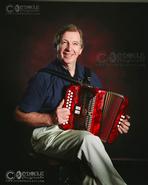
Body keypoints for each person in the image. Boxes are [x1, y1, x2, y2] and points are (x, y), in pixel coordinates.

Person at [15, 24, 130, 185]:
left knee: (91, 177)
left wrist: (116, 123)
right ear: (57, 46)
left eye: (75, 44)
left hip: (79, 136)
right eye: (64, 42)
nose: (69, 48)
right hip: (47, 134)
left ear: (81, 49)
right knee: (88, 140)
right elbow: (18, 114)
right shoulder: (43, 78)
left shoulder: (90, 77)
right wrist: (50, 118)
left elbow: (101, 115)